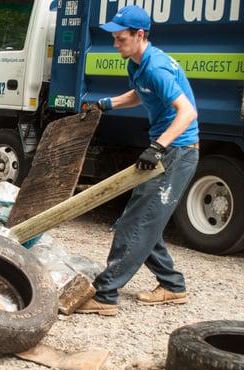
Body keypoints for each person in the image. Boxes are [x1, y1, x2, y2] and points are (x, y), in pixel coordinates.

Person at [76, 5, 199, 316]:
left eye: (120, 39)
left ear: (139, 35)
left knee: (134, 223)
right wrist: (107, 104)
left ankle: (105, 295)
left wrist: (157, 147)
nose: (115, 44)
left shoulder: (156, 66)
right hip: (168, 149)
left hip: (178, 152)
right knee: (146, 220)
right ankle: (172, 285)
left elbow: (188, 112)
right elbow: (140, 94)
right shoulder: (137, 64)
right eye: (114, 39)